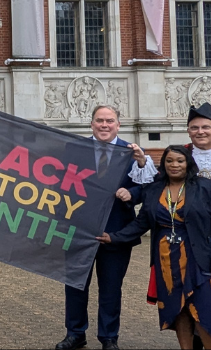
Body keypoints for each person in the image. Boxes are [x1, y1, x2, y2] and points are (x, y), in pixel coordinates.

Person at [96, 145, 211, 350]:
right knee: (178, 310)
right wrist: (113, 238)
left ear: (188, 163)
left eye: (179, 161)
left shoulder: (207, 187)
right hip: (167, 260)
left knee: (206, 311)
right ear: (163, 164)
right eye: (169, 161)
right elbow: (140, 223)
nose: (174, 165)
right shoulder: (154, 189)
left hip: (199, 258)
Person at [56, 105, 157, 350]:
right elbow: (60, 185)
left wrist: (131, 192)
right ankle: (75, 333)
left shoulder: (132, 152)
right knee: (75, 285)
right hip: (80, 230)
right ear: (91, 124)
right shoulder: (74, 149)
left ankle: (109, 336)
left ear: (118, 125)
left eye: (109, 121)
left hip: (116, 232)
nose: (104, 125)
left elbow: (149, 188)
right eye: (99, 120)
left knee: (111, 288)